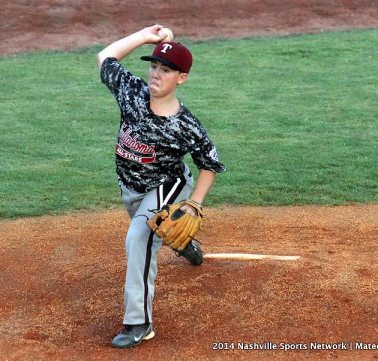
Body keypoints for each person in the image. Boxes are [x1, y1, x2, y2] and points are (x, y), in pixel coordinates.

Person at [97, 24, 226, 348]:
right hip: (130, 188)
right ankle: (184, 244)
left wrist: (193, 203)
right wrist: (145, 35)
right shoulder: (132, 92)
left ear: (181, 78)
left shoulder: (186, 126)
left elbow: (209, 164)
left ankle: (138, 323)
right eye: (153, 66)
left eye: (166, 70)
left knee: (138, 238)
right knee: (157, 230)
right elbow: (105, 57)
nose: (156, 74)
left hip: (168, 186)